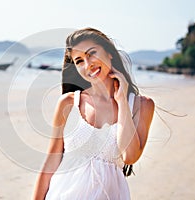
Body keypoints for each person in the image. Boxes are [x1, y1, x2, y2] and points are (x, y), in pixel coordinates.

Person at [33, 27, 155, 199]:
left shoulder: (142, 105)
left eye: (91, 53)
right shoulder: (69, 103)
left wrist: (122, 102)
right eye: (79, 61)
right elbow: (51, 163)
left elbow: (129, 157)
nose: (88, 64)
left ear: (109, 53)